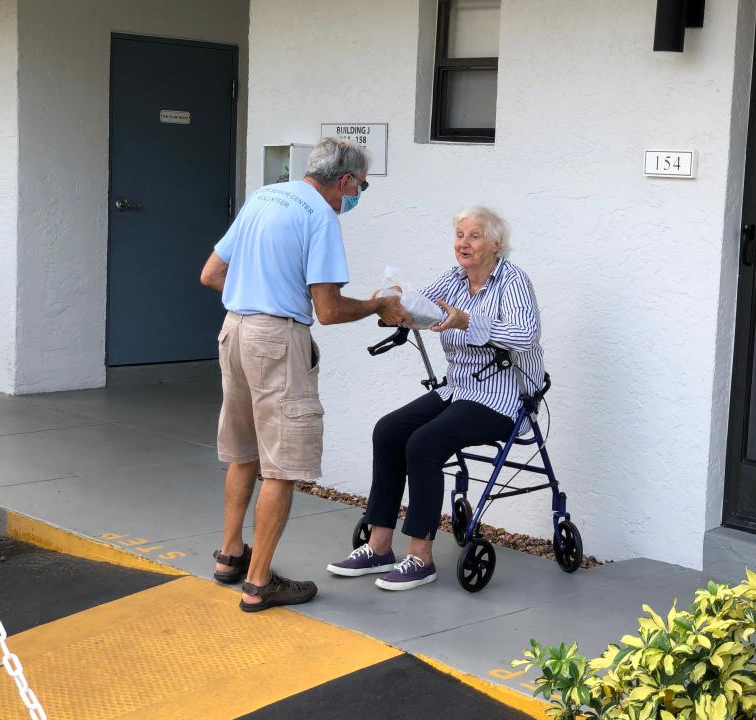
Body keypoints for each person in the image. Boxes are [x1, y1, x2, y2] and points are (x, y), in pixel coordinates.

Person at [200, 138, 410, 612]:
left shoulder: (264, 197)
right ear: (345, 180)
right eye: (360, 186)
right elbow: (330, 310)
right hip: (277, 340)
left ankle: (230, 556)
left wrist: (256, 293)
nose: (357, 195)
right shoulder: (320, 216)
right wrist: (379, 304)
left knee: (244, 452)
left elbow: (212, 274)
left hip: (233, 331)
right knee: (283, 464)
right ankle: (259, 583)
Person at [326, 206, 544, 591]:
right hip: (457, 389)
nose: (464, 243)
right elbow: (418, 304)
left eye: (474, 236)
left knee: (424, 443)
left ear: (496, 244)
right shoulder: (455, 279)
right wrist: (393, 301)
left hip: (502, 400)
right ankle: (378, 547)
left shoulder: (513, 282)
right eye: (460, 235)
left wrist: (469, 321)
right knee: (389, 431)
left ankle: (421, 557)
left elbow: (526, 336)